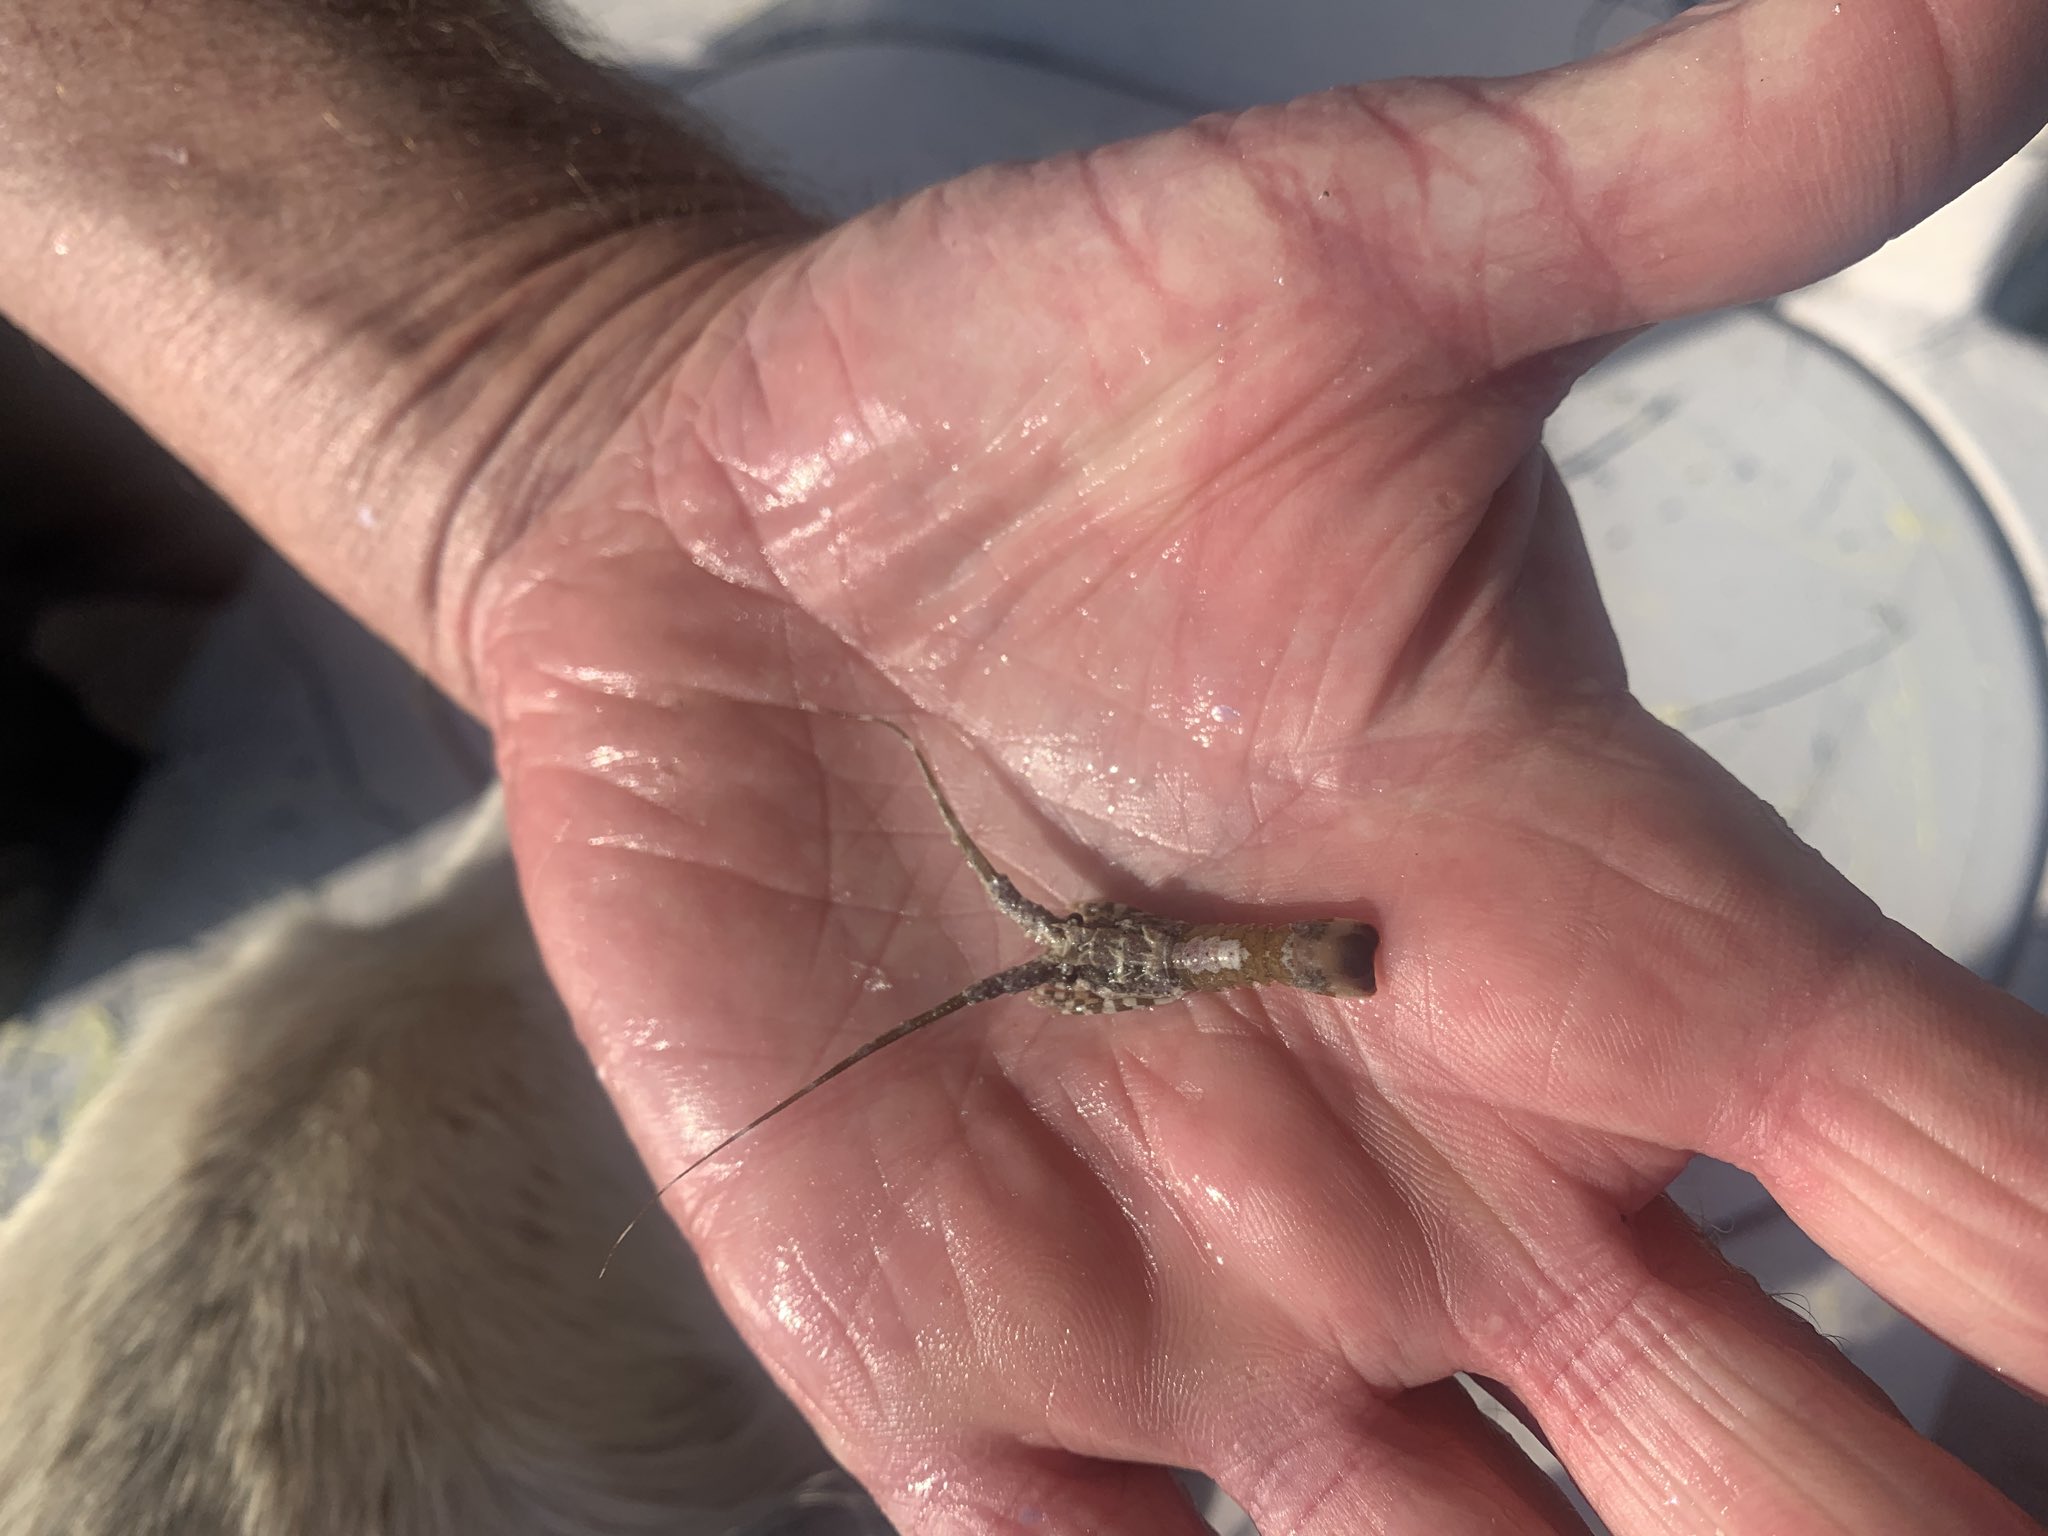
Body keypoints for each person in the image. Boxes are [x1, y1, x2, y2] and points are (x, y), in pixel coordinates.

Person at [4, 0, 2045, 1530]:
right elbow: (1069, 940)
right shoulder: (1092, 958)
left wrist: (575, 399)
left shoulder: (1091, 931)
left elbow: (1062, 925)